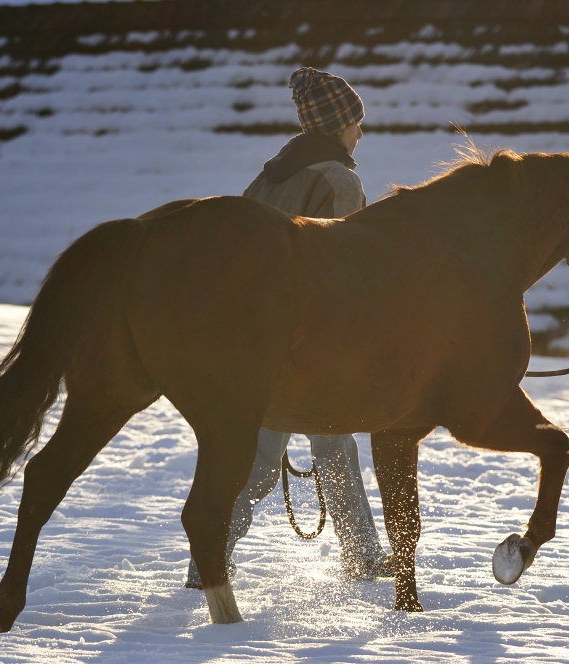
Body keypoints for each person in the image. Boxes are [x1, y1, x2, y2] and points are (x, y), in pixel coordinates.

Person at [186, 67, 392, 588]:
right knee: (313, 455)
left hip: (250, 342)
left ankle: (206, 561)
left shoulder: (272, 174)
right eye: (355, 121)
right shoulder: (339, 181)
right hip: (306, 347)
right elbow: (348, 270)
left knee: (270, 461)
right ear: (335, 125)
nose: (360, 132)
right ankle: (362, 557)